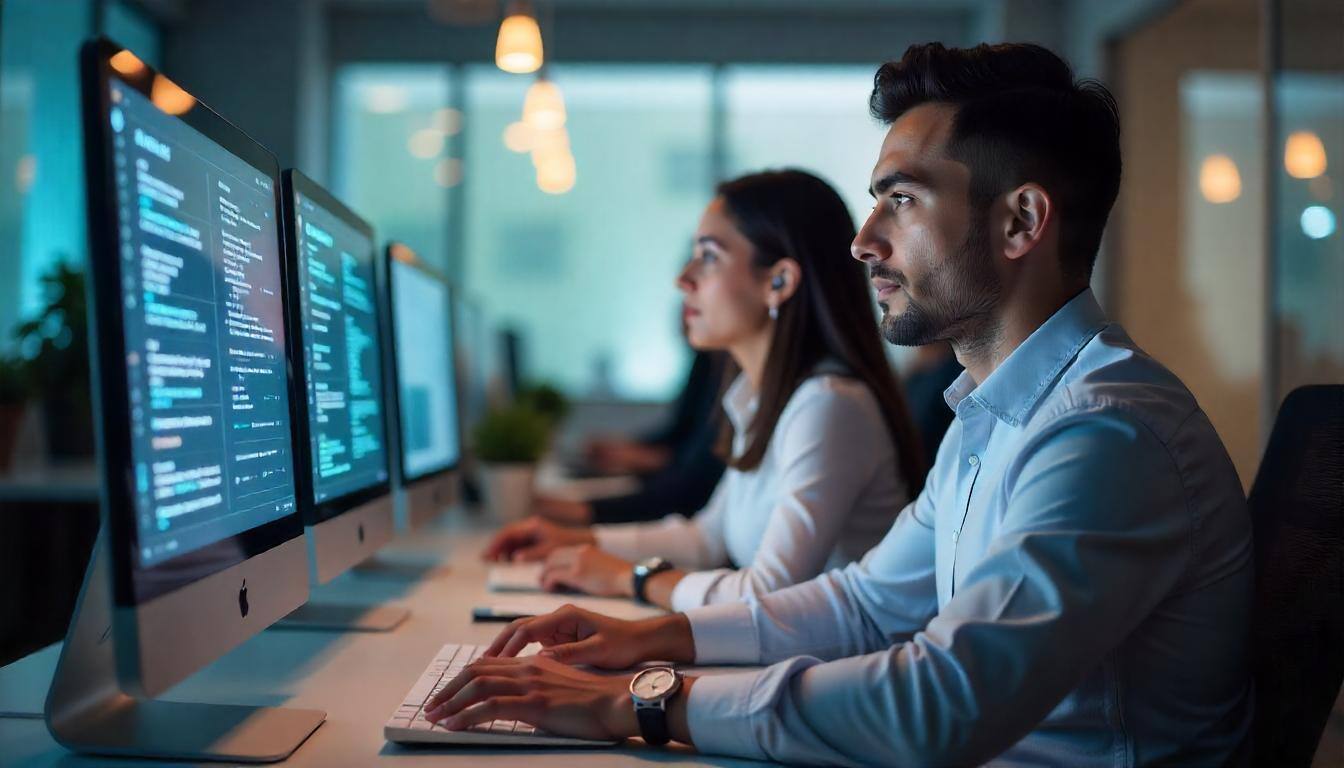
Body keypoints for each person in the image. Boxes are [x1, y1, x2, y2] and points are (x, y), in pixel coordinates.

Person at [424, 42, 1253, 766]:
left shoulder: (1102, 432)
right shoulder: (995, 414)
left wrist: (641, 699)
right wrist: (647, 639)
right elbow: (865, 603)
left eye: (901, 198)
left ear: (1020, 222)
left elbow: (941, 706)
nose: (863, 241)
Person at [483, 169, 926, 612]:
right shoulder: (761, 399)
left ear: (778, 282)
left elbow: (765, 594)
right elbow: (707, 537)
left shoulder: (829, 405)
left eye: (709, 257)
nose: (684, 279)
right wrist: (579, 542)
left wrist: (625, 578)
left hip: (835, 668)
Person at [538, 344, 730, 526]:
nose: (686, 309)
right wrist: (628, 449)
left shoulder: (732, 384)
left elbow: (691, 486)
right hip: (673, 507)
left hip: (673, 506)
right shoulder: (708, 363)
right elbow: (678, 434)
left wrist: (587, 510)